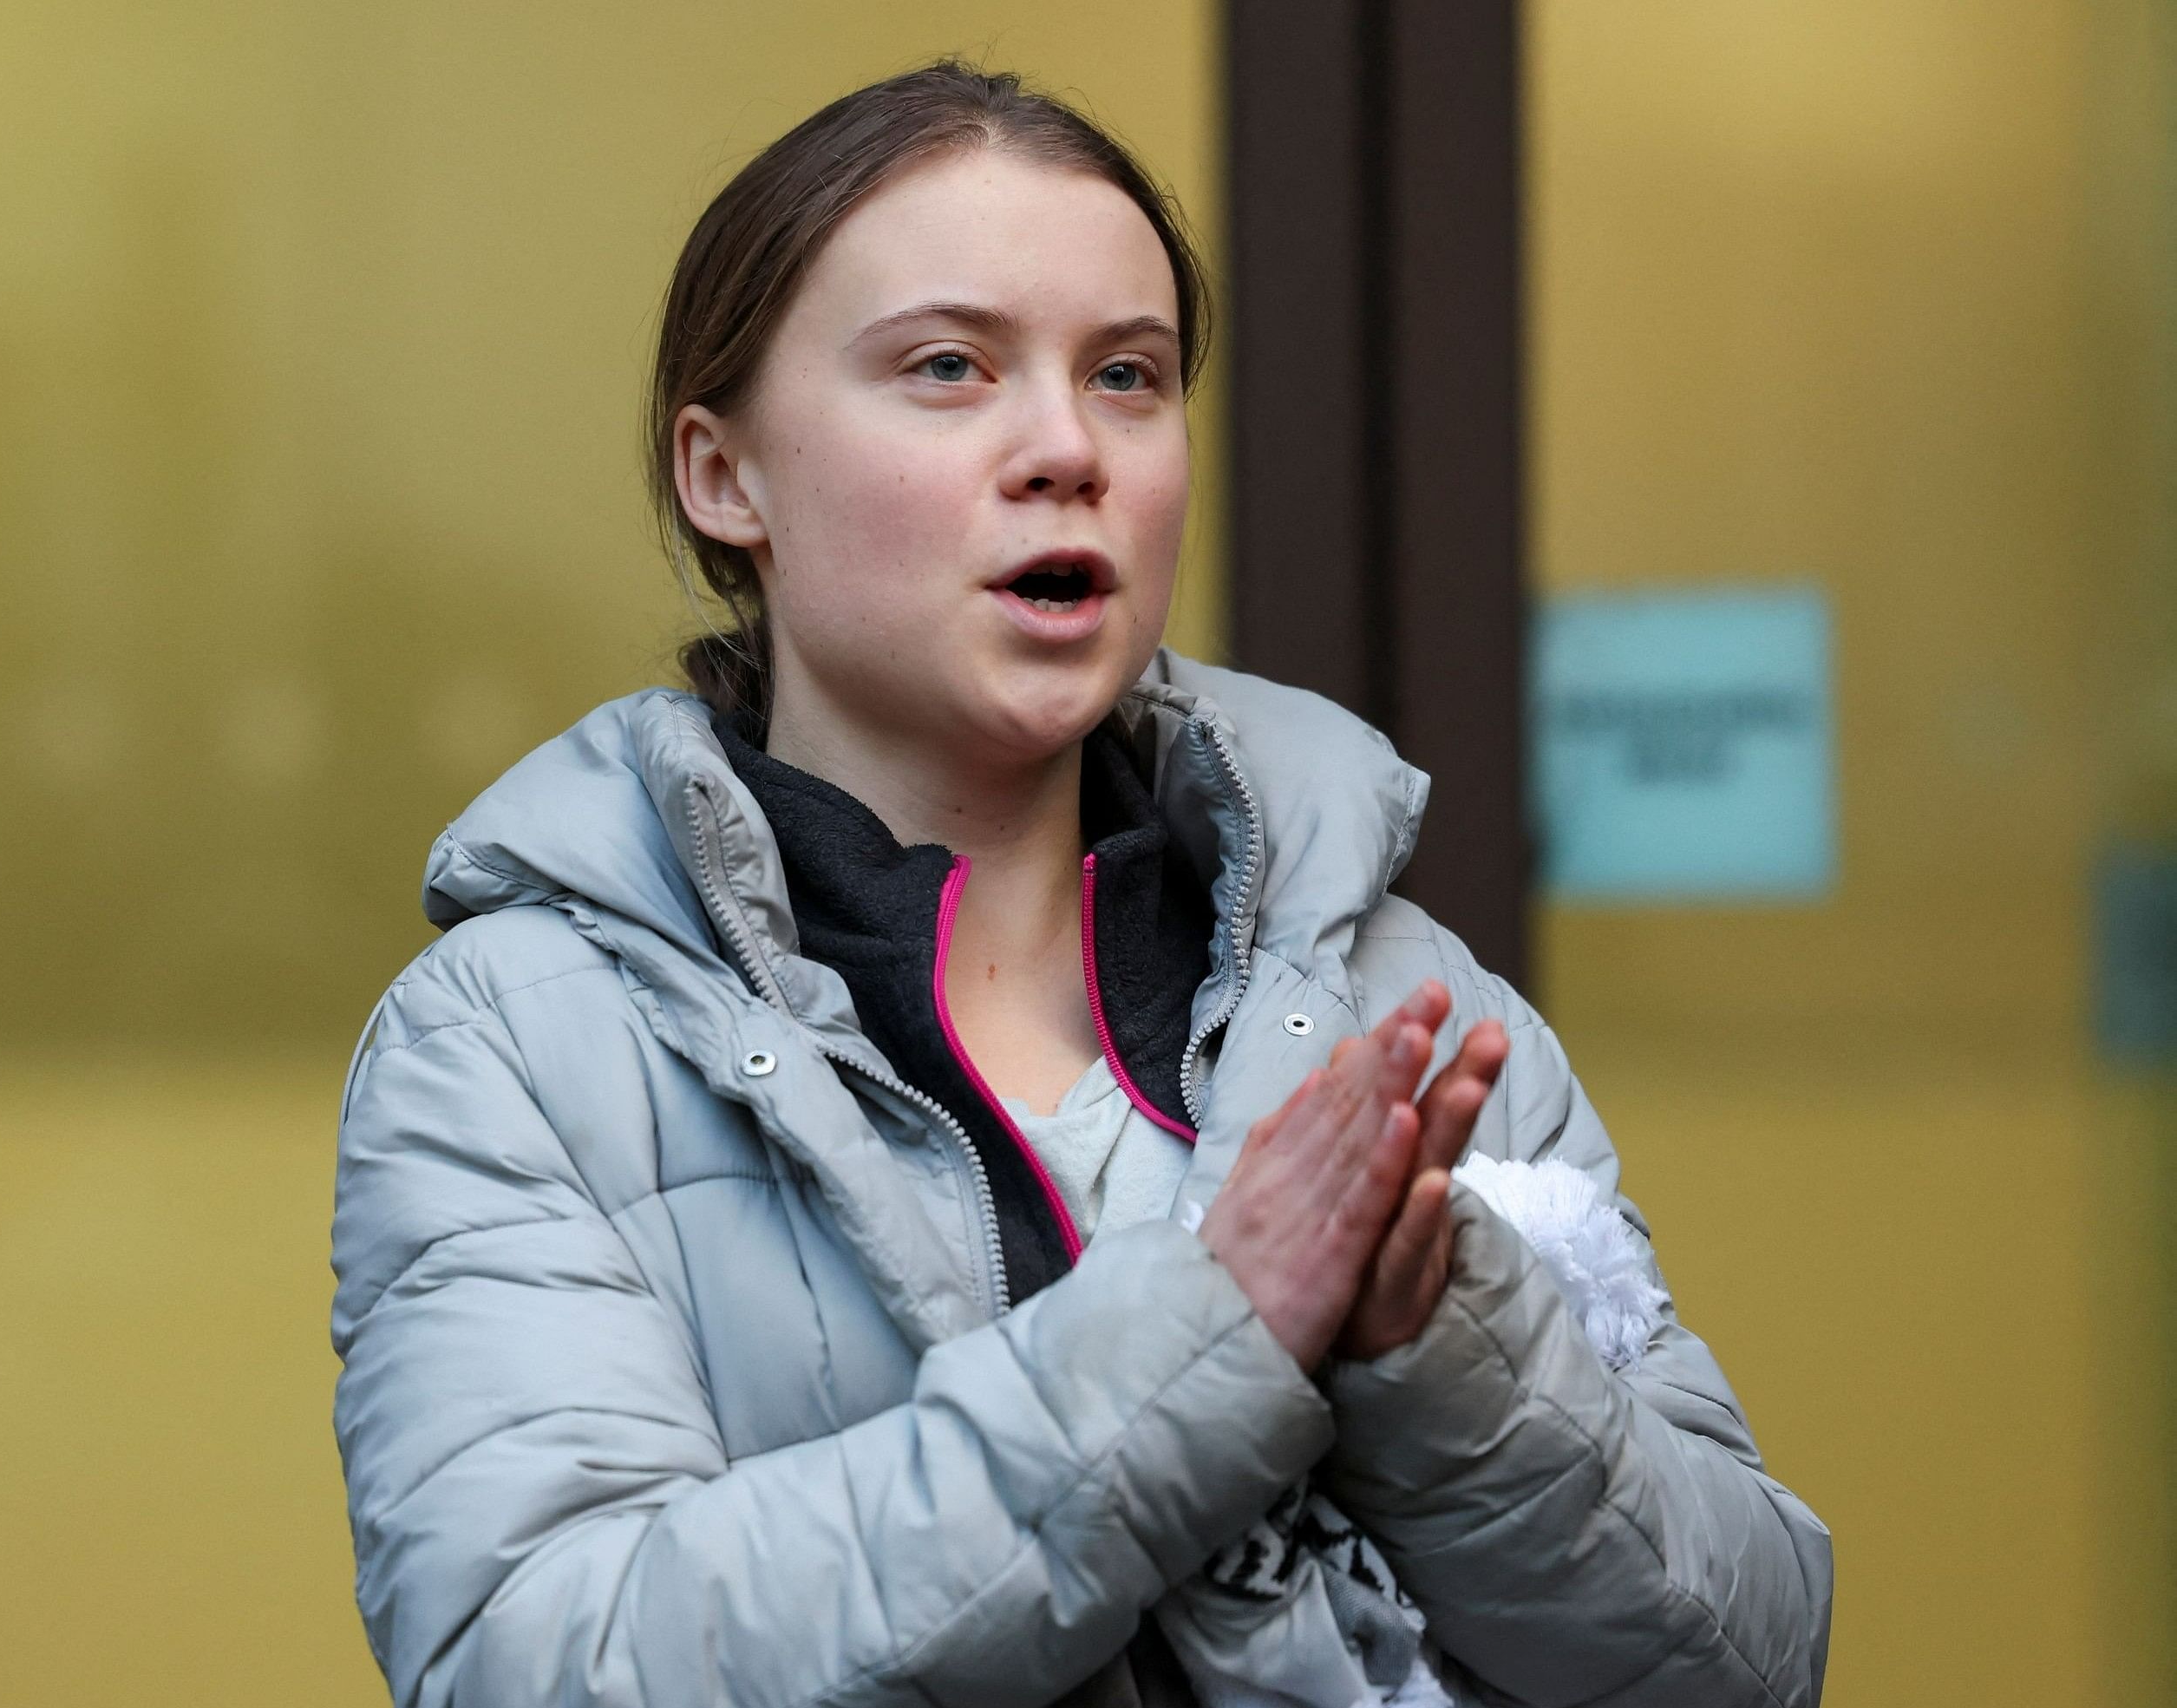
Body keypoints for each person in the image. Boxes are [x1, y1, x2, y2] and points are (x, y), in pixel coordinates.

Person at [329, 61, 1832, 1708]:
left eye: (1129, 375)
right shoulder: (517, 1045)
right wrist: (1211, 1337)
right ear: (724, 476)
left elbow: (1748, 1656)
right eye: (949, 368)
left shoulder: (1400, 993)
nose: (1067, 447)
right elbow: (541, 1666)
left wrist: (1430, 1353)